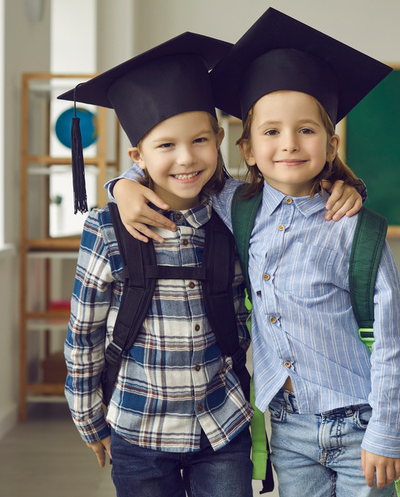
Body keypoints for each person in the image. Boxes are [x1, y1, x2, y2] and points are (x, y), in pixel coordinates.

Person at [109, 9, 400, 497]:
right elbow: (176, 173)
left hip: (361, 422)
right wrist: (123, 186)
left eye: (307, 131)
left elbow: (394, 342)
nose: (289, 144)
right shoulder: (237, 205)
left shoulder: (354, 228)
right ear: (248, 149)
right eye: (271, 132)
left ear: (331, 143)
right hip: (288, 427)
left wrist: (387, 433)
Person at [61, 33, 258, 497]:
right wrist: (89, 418)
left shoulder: (237, 215)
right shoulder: (107, 228)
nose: (186, 157)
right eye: (165, 145)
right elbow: (83, 332)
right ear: (138, 157)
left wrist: (349, 188)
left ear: (219, 139)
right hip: (137, 427)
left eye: (200, 140)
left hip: (223, 424)